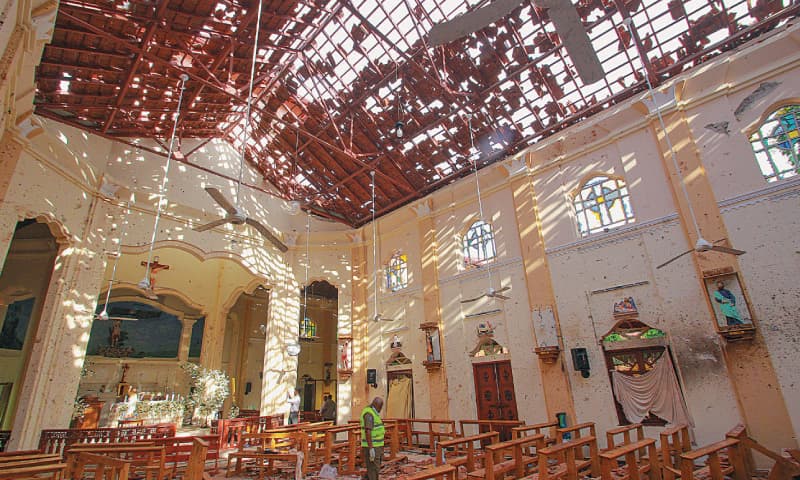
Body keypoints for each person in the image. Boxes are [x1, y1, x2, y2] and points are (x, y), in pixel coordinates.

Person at [360, 397, 384, 480]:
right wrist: (371, 449)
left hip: (377, 445)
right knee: (374, 470)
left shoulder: (373, 413)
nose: (380, 410)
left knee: (373, 468)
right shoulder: (369, 414)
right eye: (380, 407)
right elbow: (368, 431)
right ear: (377, 406)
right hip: (372, 446)